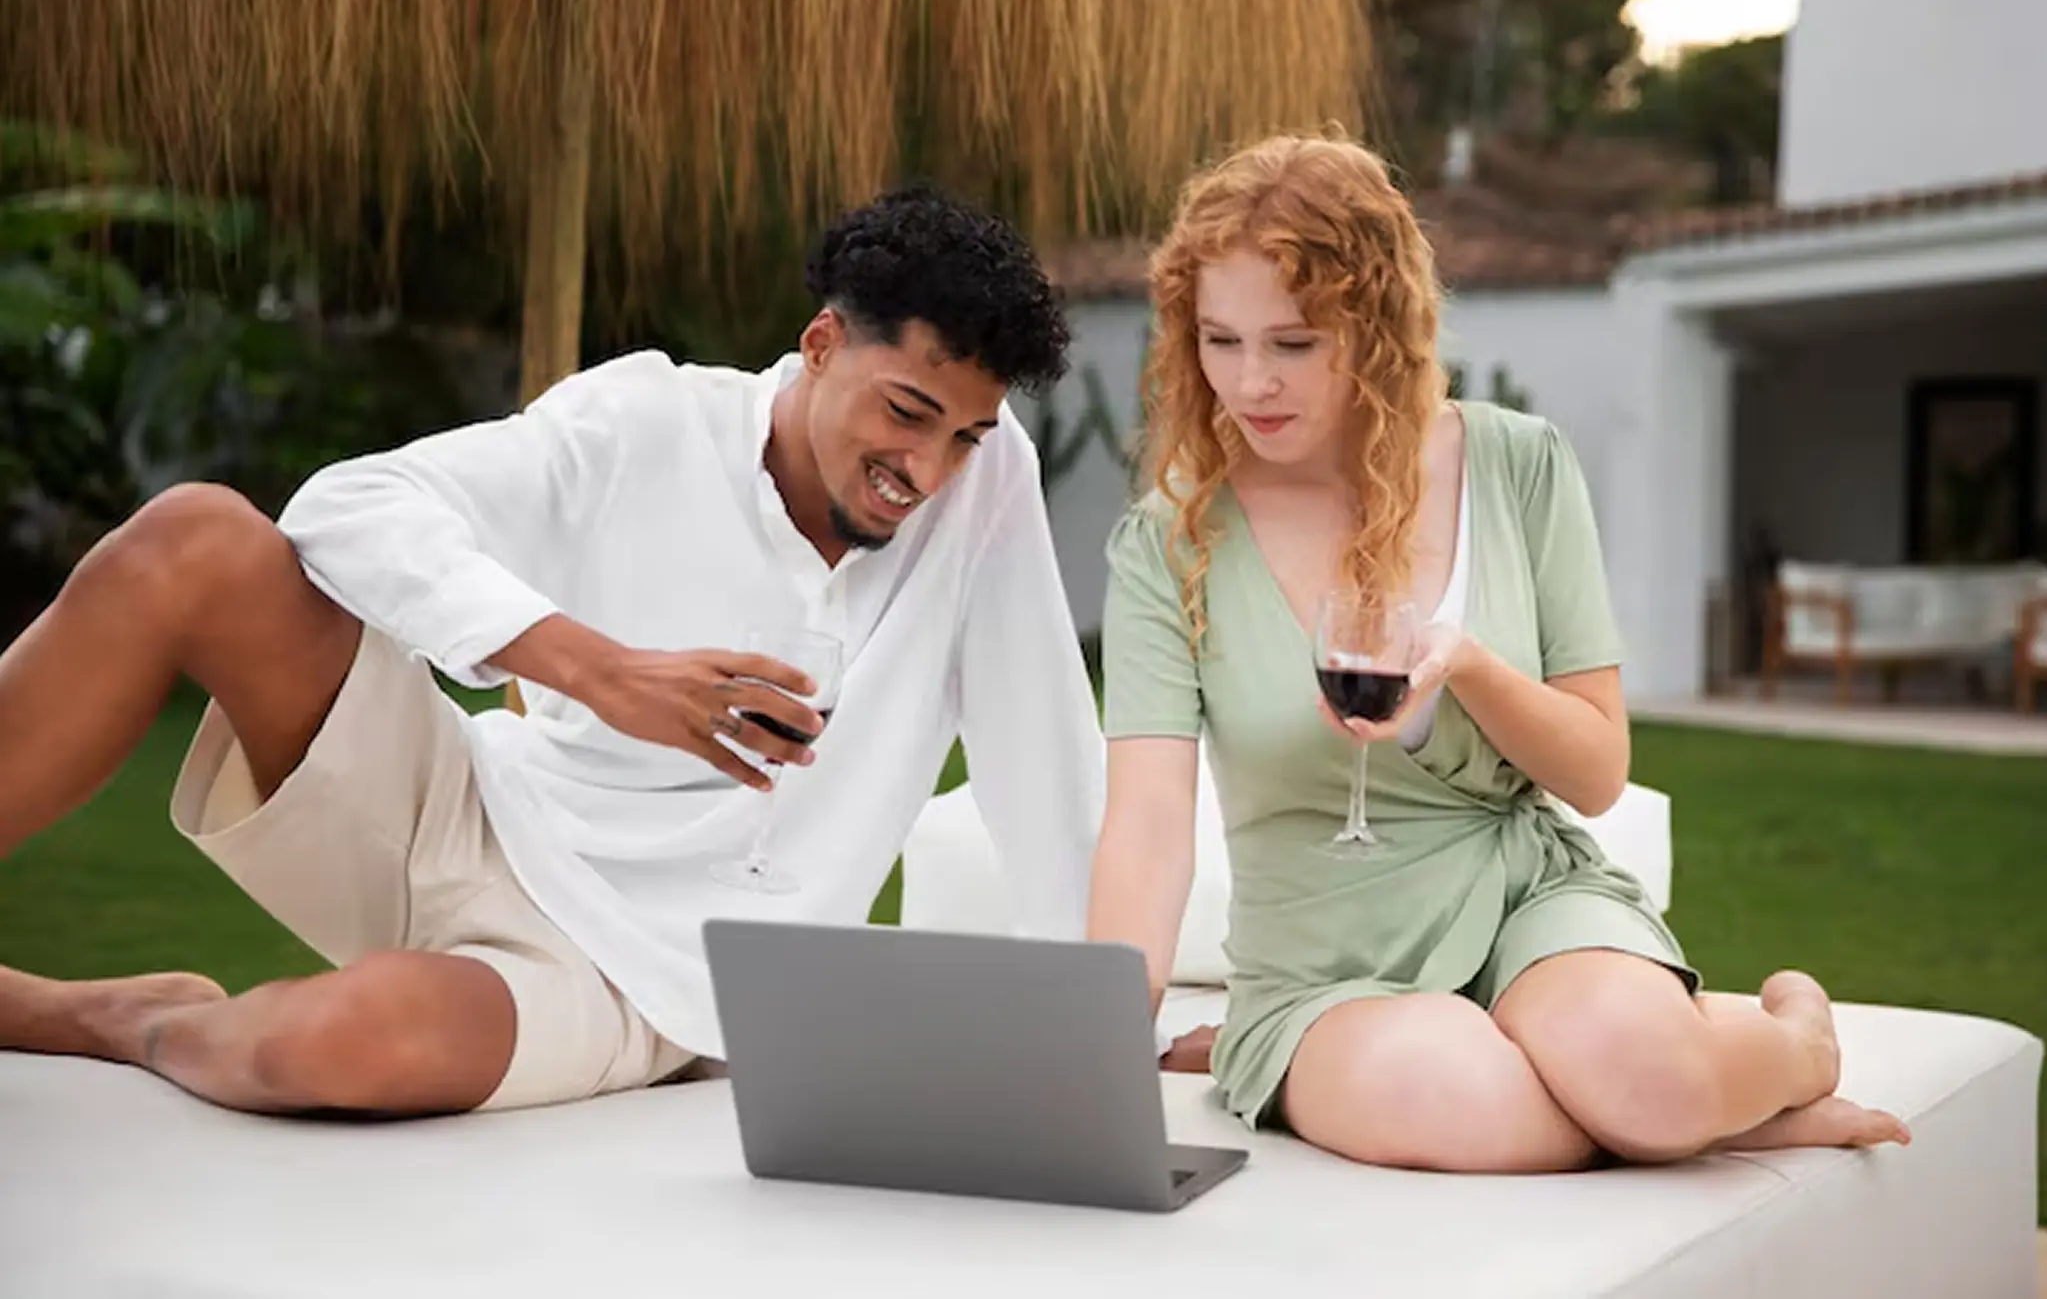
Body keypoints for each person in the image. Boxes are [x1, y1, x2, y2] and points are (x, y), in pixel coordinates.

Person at [0, 183, 1103, 1117]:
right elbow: (346, 508)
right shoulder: (648, 418)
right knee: (195, 543)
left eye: (964, 435)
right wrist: (598, 670)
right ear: (820, 345)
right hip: (475, 811)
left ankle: (122, 1018)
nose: (927, 469)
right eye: (906, 412)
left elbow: (1041, 752)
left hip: (638, 979)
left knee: (326, 1051)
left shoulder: (984, 487)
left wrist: (1102, 1026)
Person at [1086, 134, 1910, 1170]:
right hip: (1322, 965)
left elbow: (1597, 772)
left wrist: (1468, 666)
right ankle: (1717, 1108)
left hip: (1530, 901)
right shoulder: (1169, 542)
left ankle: (1793, 1048)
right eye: (1220, 339)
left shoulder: (1518, 465)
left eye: (1293, 343)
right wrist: (1101, 1033)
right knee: (1471, 1103)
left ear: (1376, 325)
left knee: (1650, 1075)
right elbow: (1148, 827)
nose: (1251, 382)